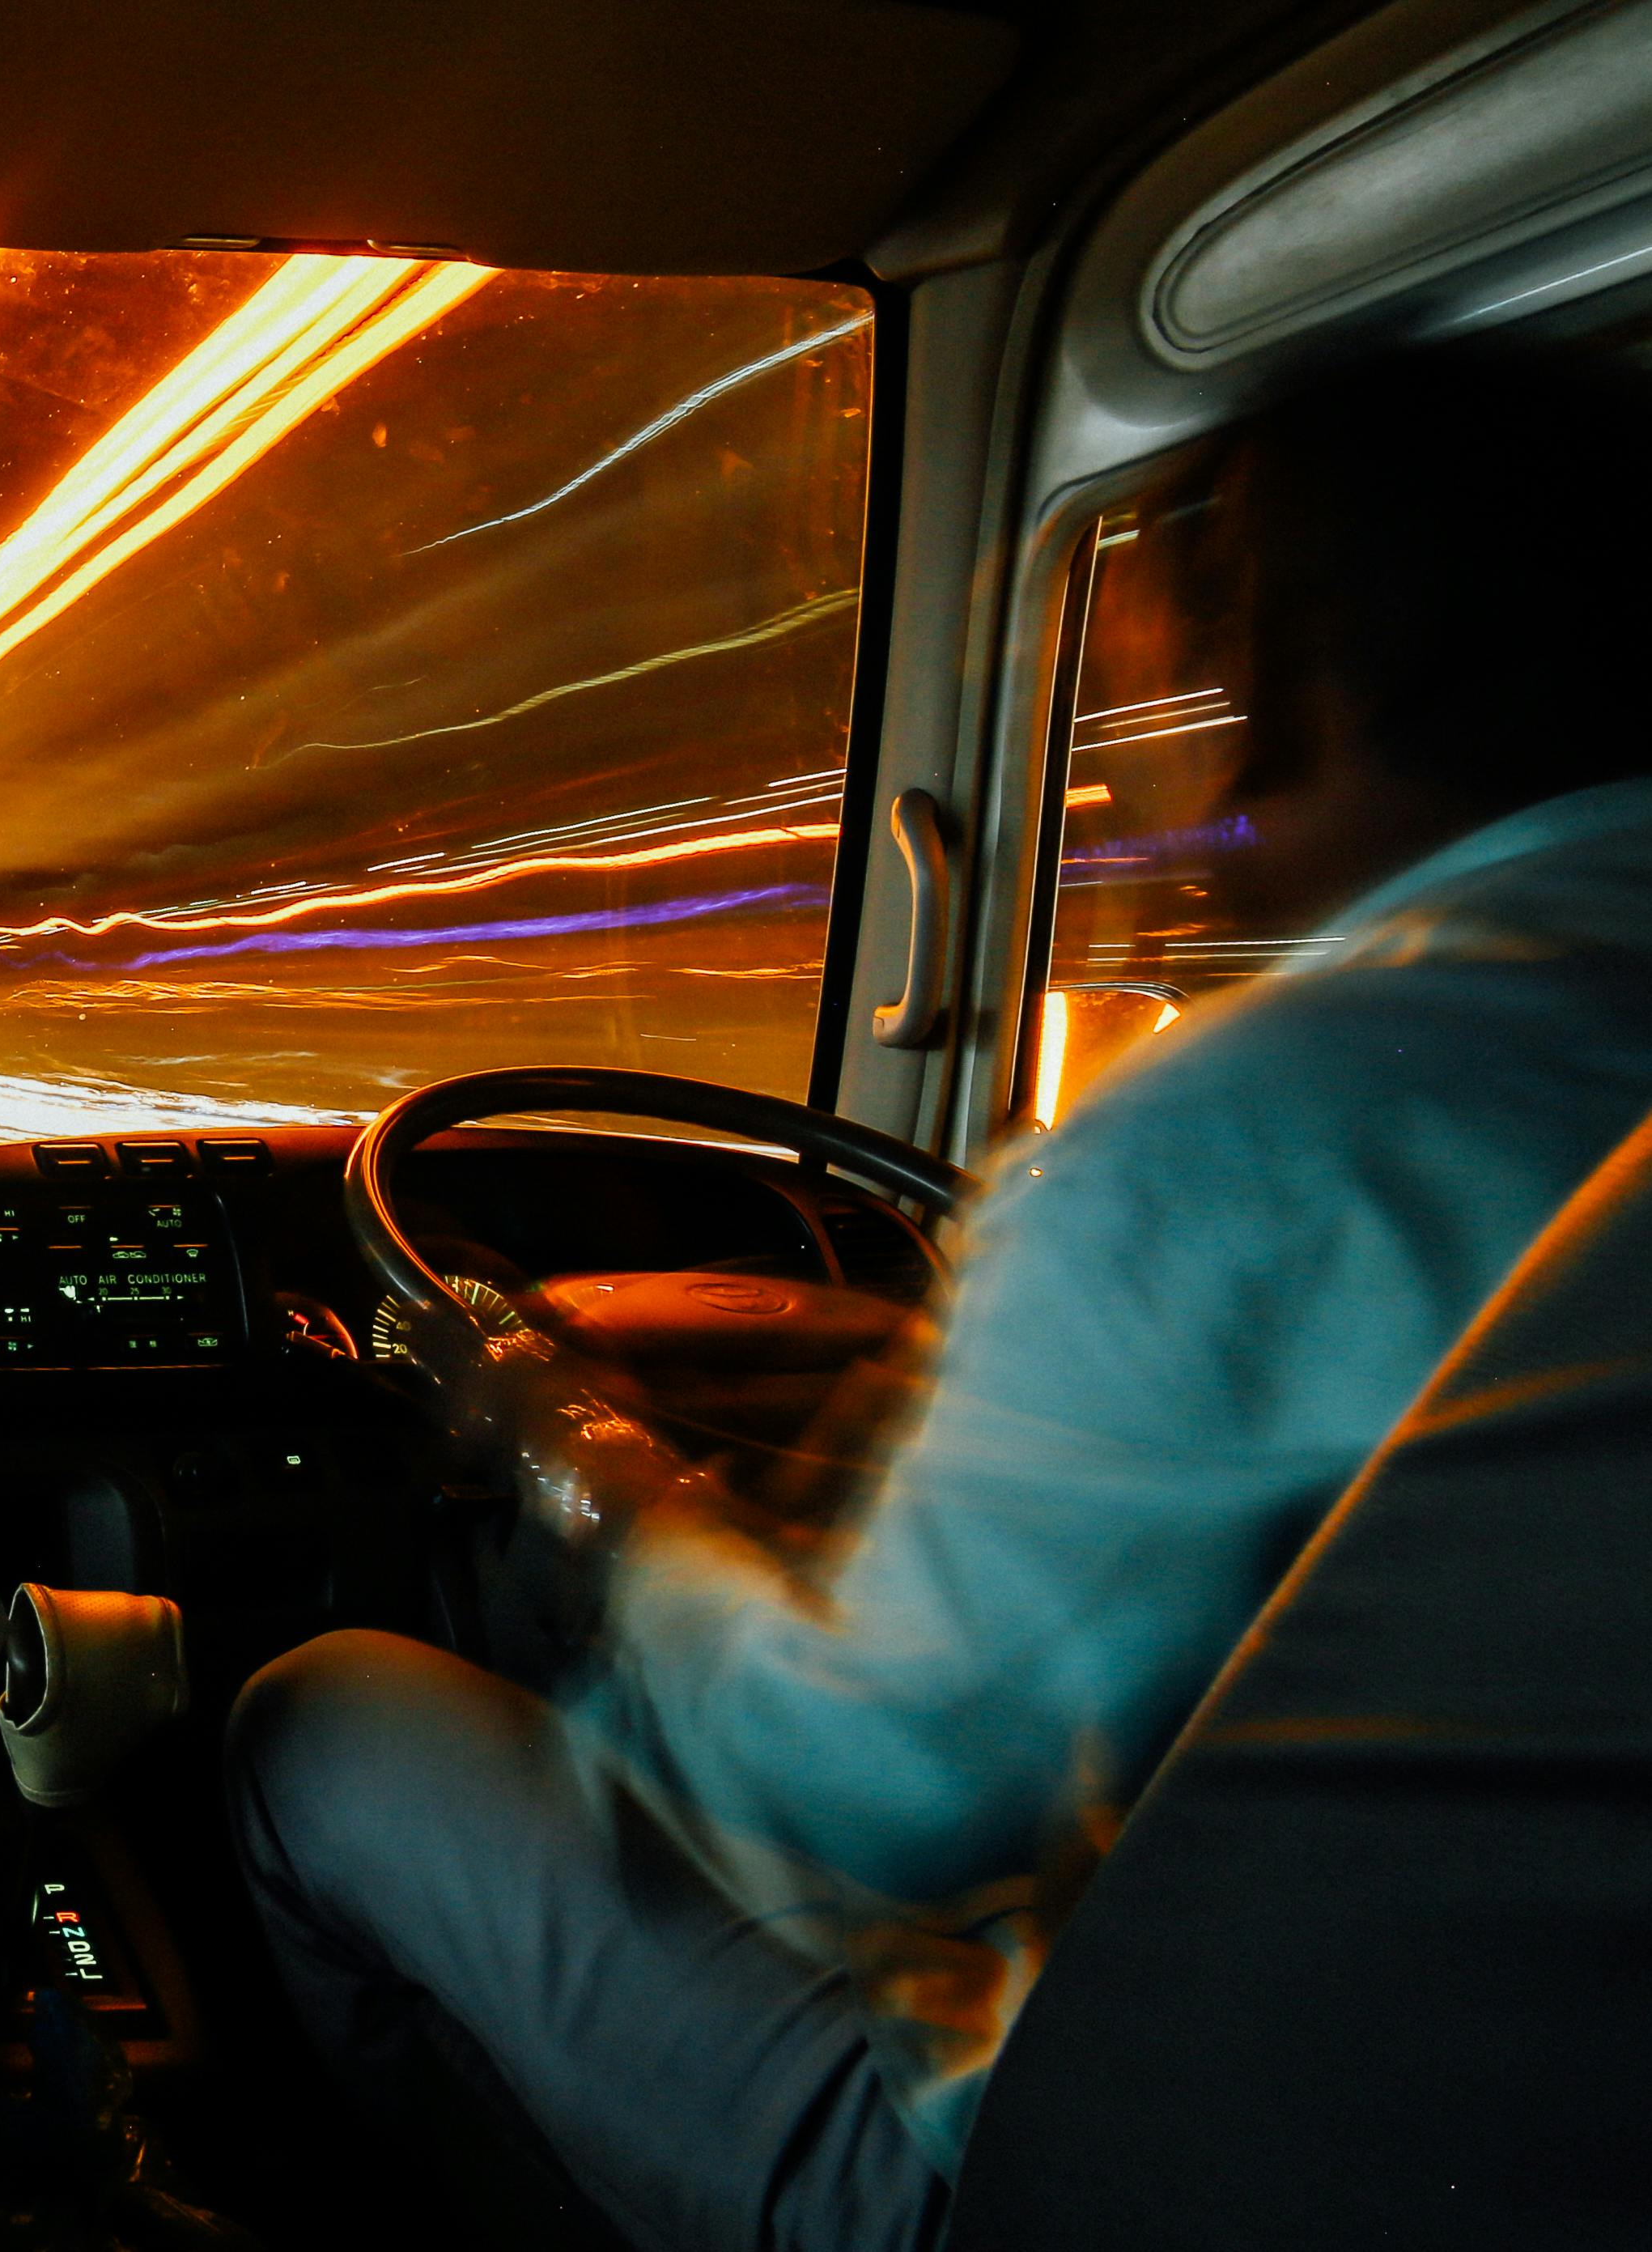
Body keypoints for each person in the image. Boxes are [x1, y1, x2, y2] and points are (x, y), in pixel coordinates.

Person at [227, 337, 1652, 2252]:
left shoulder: (1250, 1130)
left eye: (1179, 685)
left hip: (1077, 2171)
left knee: (318, 1722)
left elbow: (863, 1788)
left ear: (1302, 689)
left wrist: (584, 1466)